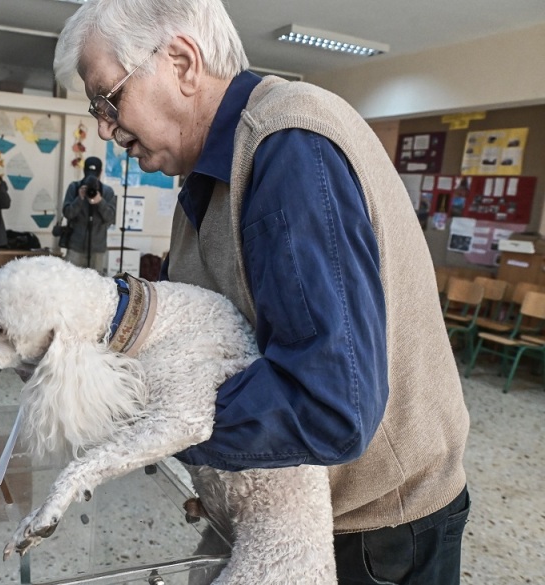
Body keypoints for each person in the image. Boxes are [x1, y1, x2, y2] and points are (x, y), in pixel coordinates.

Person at [54, 2, 470, 584]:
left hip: (376, 532)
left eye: (107, 99)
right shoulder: (203, 181)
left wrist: (143, 419)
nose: (103, 127)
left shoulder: (288, 147)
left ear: (182, 62)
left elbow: (329, 404)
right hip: (297, 510)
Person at [62, 156, 116, 274]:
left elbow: (110, 217)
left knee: (96, 286)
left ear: (100, 172)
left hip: (97, 249)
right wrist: (79, 199)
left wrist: (100, 202)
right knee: (70, 281)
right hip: (75, 247)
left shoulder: (107, 191)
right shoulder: (74, 187)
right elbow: (68, 213)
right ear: (84, 171)